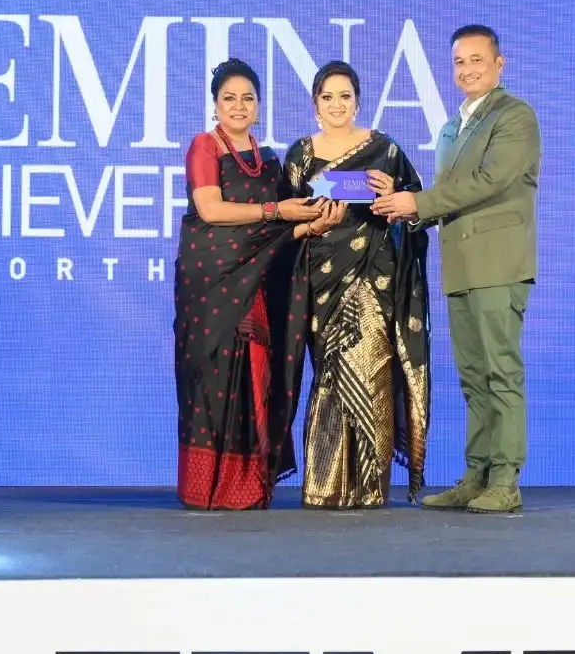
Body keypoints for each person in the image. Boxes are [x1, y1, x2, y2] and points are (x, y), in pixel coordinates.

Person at [372, 25, 540, 514]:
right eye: (459, 62)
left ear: (499, 64)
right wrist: (401, 200)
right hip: (461, 265)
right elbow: (447, 193)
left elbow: (488, 181)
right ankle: (475, 477)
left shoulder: (515, 116)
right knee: (473, 378)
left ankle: (505, 482)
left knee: (500, 373)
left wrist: (418, 203)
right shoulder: (451, 127)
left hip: (498, 262)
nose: (467, 70)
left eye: (476, 60)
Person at [174, 58, 344, 511]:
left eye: (247, 98)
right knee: (213, 382)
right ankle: (206, 487)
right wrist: (276, 212)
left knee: (253, 379)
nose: (239, 106)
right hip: (211, 287)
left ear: (259, 105)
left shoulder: (267, 160)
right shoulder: (204, 147)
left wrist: (313, 224)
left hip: (255, 289)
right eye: (229, 98)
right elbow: (210, 211)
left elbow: (277, 233)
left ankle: (246, 486)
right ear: (215, 105)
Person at [278, 60, 432, 509]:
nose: (336, 105)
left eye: (345, 96)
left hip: (373, 280)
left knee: (372, 374)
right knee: (330, 378)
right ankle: (324, 486)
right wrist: (313, 221)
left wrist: (391, 195)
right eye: (327, 97)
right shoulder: (300, 156)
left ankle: (370, 487)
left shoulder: (385, 151)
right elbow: (283, 222)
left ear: (358, 102)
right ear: (315, 104)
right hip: (321, 282)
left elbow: (416, 213)